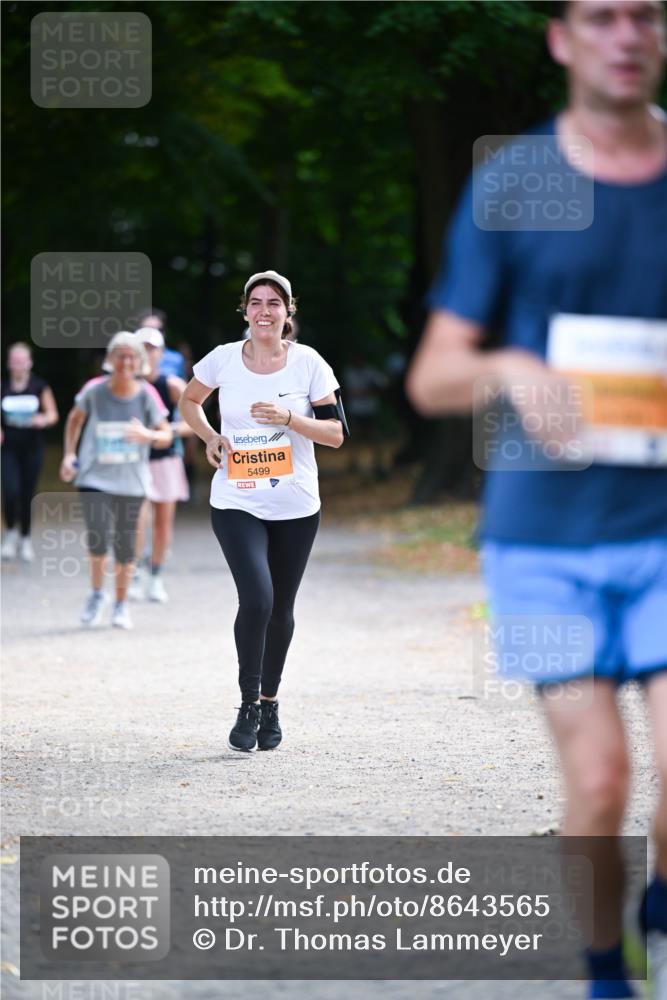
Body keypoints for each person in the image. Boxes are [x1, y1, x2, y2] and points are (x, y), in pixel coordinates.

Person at [407, 2, 667, 998]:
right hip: (538, 550)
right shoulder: (515, 183)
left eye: (646, 15)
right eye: (602, 17)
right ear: (562, 40)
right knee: (598, 780)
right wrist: (510, 365)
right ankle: (607, 967)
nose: (627, 34)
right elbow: (432, 379)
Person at [180, 270, 347, 752]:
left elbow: (335, 434)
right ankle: (248, 702)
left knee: (282, 609)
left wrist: (291, 419)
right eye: (256, 302)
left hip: (296, 504)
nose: (265, 311)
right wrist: (210, 436)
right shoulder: (223, 360)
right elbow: (190, 401)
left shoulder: (309, 364)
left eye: (275, 302)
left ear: (289, 311)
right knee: (257, 599)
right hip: (237, 498)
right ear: (245, 310)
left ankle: (271, 702)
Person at [59, 332, 172, 629]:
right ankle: (97, 594)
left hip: (131, 481)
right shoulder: (95, 390)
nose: (125, 362)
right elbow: (74, 419)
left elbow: (166, 434)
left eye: (131, 356)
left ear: (140, 362)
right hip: (95, 476)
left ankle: (120, 604)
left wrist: (149, 435)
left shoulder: (147, 394)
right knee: (97, 538)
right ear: (110, 359)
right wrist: (69, 455)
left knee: (124, 546)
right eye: (120, 355)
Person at [128, 327, 192, 603]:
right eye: (142, 347)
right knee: (136, 521)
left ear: (161, 353)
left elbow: (195, 422)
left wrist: (166, 433)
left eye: (153, 348)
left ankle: (155, 576)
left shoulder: (173, 385)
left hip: (165, 460)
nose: (148, 353)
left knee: (163, 524)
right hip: (133, 461)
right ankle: (134, 573)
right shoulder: (124, 383)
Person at [1, 342, 58, 562]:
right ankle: (10, 534)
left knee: (27, 494)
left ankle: (25, 539)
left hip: (32, 448)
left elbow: (52, 414)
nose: (18, 365)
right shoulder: (3, 388)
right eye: (14, 361)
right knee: (10, 491)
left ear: (29, 363)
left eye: (22, 361)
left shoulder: (39, 386)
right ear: (8, 363)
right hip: (8, 449)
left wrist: (42, 419)